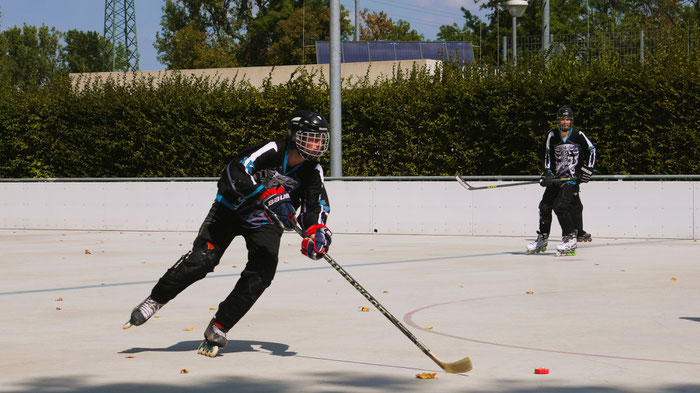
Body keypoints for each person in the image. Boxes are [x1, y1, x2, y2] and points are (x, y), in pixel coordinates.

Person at [123, 110, 334, 357]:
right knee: (202, 260)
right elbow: (235, 172)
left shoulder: (312, 170)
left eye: (321, 139)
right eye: (311, 137)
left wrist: (317, 232)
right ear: (294, 136)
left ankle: (219, 327)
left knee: (262, 273)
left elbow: (315, 204)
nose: (317, 144)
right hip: (229, 211)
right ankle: (155, 299)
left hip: (264, 222)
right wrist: (266, 194)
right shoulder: (271, 150)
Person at [526, 107, 596, 256]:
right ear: (558, 121)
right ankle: (542, 238)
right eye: (563, 119)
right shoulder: (552, 135)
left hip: (571, 180)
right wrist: (547, 173)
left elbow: (592, 150)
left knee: (560, 206)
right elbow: (547, 155)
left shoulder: (578, 135)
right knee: (544, 206)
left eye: (568, 119)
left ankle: (570, 238)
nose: (565, 122)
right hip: (557, 179)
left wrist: (588, 169)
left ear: (571, 121)